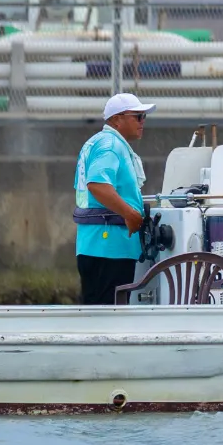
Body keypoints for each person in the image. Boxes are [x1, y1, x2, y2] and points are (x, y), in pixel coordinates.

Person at [73, 91, 154, 306]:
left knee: (97, 310)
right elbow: (97, 184)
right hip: (109, 246)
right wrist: (131, 214)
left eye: (144, 117)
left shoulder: (98, 142)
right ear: (117, 120)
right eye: (138, 116)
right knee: (109, 313)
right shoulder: (110, 145)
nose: (142, 122)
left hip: (96, 242)